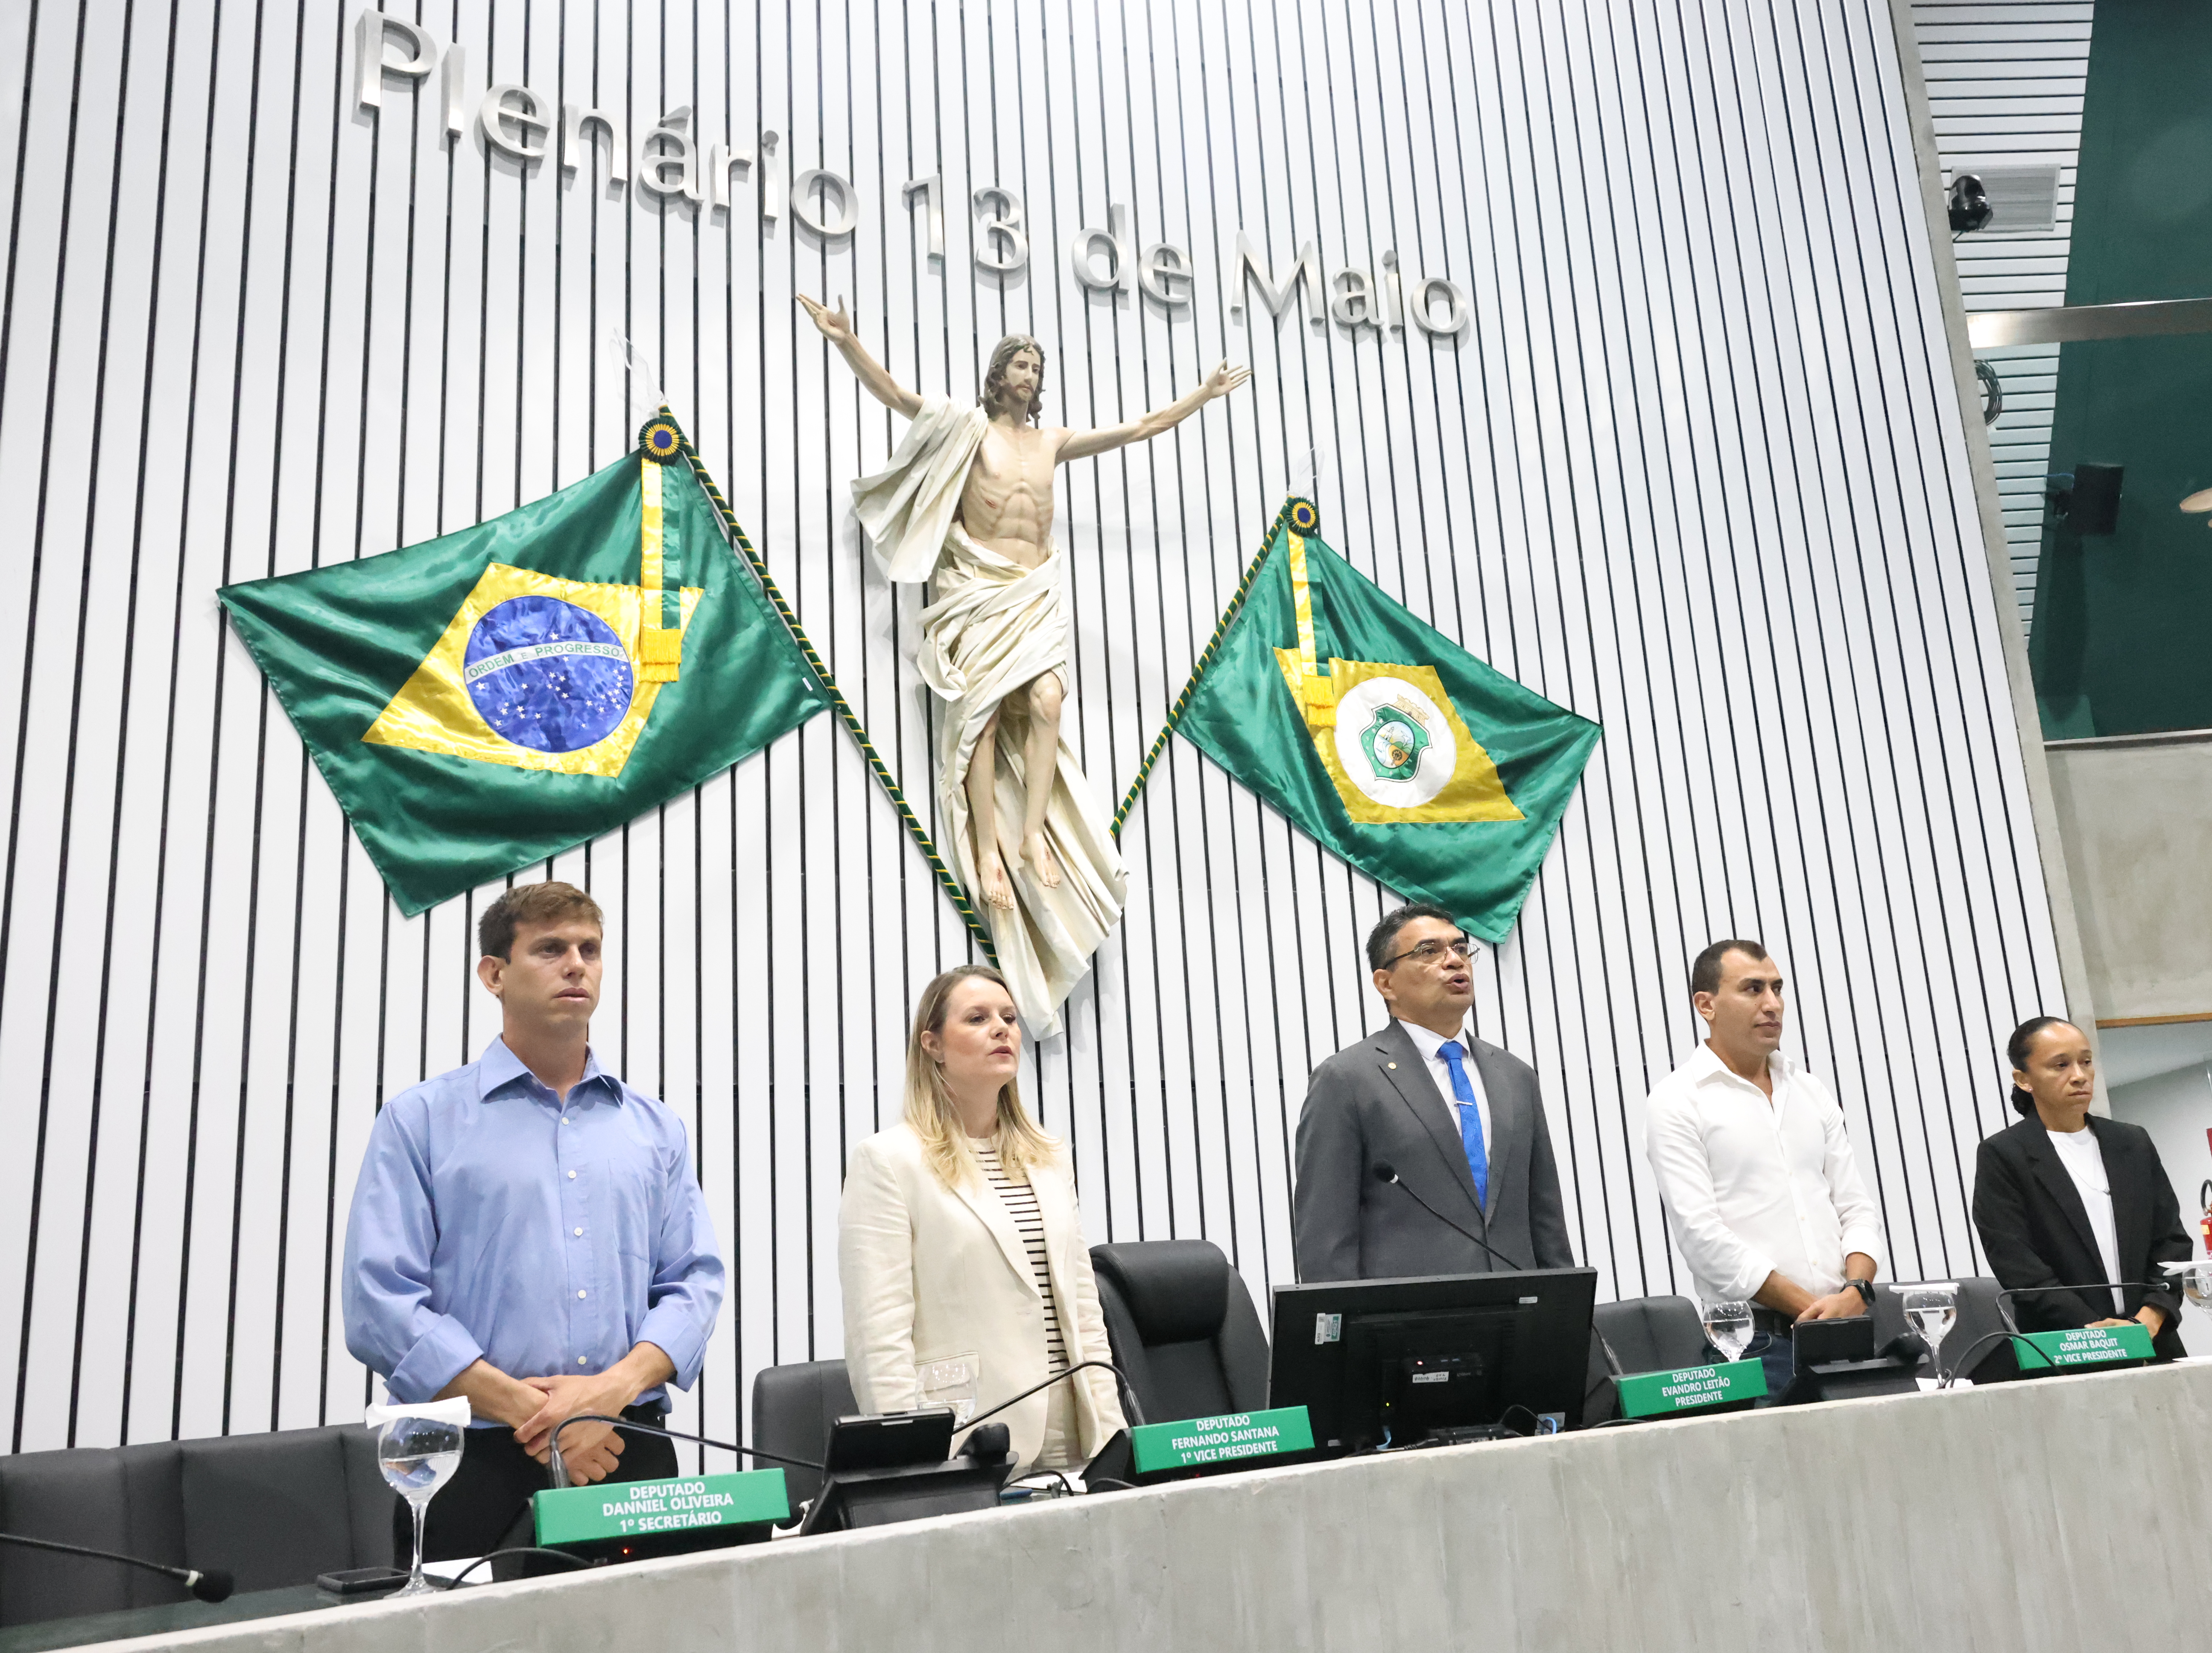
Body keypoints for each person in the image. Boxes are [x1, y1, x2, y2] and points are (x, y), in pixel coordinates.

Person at [800, 293, 1248, 1040]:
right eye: (1018, 362)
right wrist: (846, 341)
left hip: (1033, 588)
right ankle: (985, 844)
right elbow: (896, 396)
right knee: (977, 715)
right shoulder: (967, 429)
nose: (1028, 372)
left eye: (1036, 366)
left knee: (1045, 700)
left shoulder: (1053, 443)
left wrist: (1200, 396)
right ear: (996, 374)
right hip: (974, 586)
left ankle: (1033, 831)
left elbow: (1136, 429)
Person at [343, 882, 725, 1565]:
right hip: (471, 1462)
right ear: (494, 973)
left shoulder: (656, 1128)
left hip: (623, 1449)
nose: (576, 964)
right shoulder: (419, 1123)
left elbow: (693, 1284)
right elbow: (380, 1304)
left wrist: (607, 1394)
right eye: (549, 949)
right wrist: (537, 1413)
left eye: (590, 950)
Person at [839, 966, 1127, 1472]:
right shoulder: (889, 1161)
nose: (1003, 1029)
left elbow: (1084, 1309)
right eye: (978, 1018)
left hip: (1083, 1442)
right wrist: (912, 1465)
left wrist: (1113, 1430)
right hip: (969, 1446)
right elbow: (878, 1338)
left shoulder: (1050, 1157)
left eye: (1010, 1018)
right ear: (933, 1045)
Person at [1642, 939, 1887, 1402]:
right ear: (1706, 1004)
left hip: (1847, 1329)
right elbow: (1702, 1237)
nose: (1773, 1004)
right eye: (1753, 989)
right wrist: (1816, 1309)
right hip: (1753, 1342)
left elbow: (1856, 1208)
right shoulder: (1677, 1100)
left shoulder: (1810, 1089)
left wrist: (1856, 1290)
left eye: (1777, 988)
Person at [1292, 903, 1575, 1281]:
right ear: (1386, 983)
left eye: (1460, 949)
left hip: (1517, 1315)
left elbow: (1545, 1217)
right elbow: (1325, 1237)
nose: (1455, 961)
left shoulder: (1515, 1076)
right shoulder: (1347, 1080)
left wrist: (1567, 1315)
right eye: (1429, 952)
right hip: (1410, 1322)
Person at [1972, 1016, 2190, 1358]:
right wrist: (2095, 1329)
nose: (2079, 1075)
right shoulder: (2004, 1154)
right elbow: (2016, 1262)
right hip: (2064, 1346)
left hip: (2151, 1337)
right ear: (2023, 1079)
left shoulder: (2131, 1142)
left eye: (2086, 1062)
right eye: (2060, 1065)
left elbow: (2172, 1241)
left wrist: (2149, 1317)